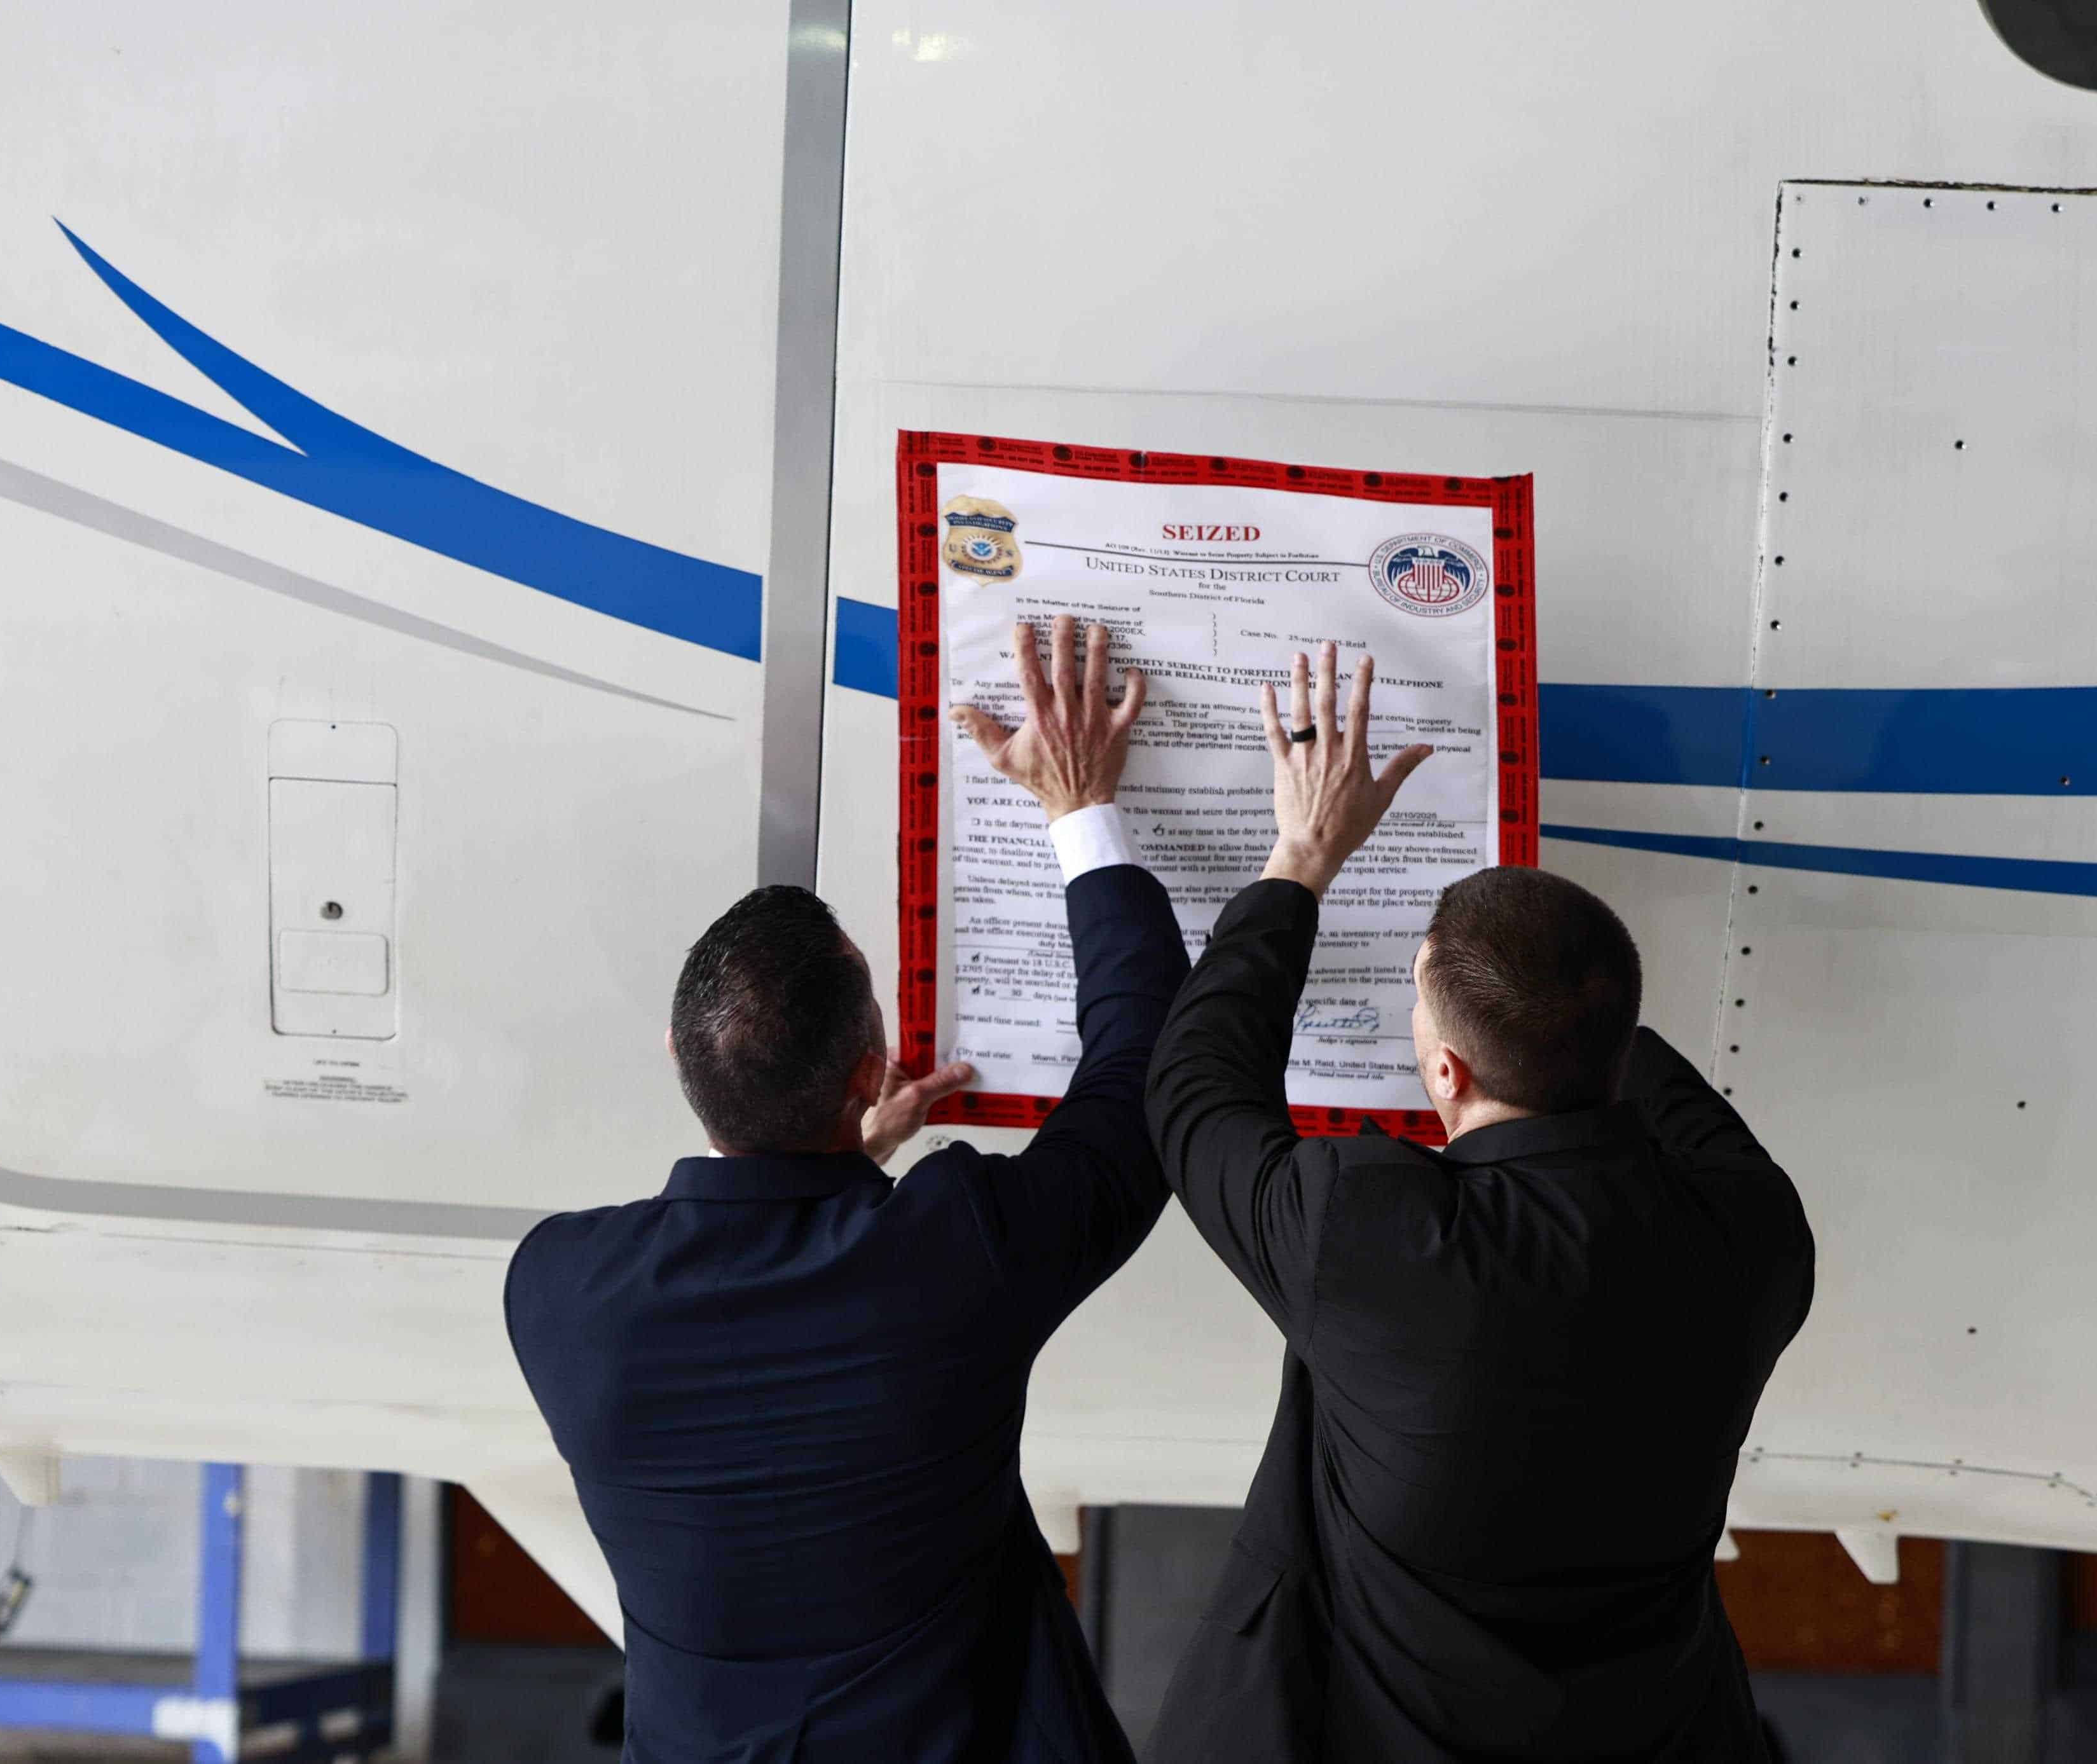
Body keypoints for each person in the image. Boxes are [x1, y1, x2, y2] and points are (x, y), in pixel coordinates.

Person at [505, 616, 1187, 1764]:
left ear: (676, 1053)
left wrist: (844, 1166)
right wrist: (1077, 802)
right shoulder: (951, 1254)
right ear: (873, 1073)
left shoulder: (559, 1295)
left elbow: (772, 1323)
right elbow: (1142, 1084)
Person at [1143, 641, 1815, 1763]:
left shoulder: (1373, 1238)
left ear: (1445, 1075)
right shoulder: (1749, 1241)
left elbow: (1193, 1094)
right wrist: (1547, 992)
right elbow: (1661, 1093)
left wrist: (1304, 856)